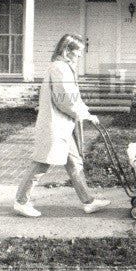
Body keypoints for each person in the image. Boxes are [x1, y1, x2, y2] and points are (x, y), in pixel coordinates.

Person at [13, 33, 110, 217]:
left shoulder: (65, 67)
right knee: (42, 162)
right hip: (55, 125)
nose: (81, 55)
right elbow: (64, 99)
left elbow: (73, 97)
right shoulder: (59, 68)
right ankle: (21, 201)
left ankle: (88, 202)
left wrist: (86, 112)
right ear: (67, 50)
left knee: (74, 162)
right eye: (78, 51)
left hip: (64, 125)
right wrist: (84, 115)